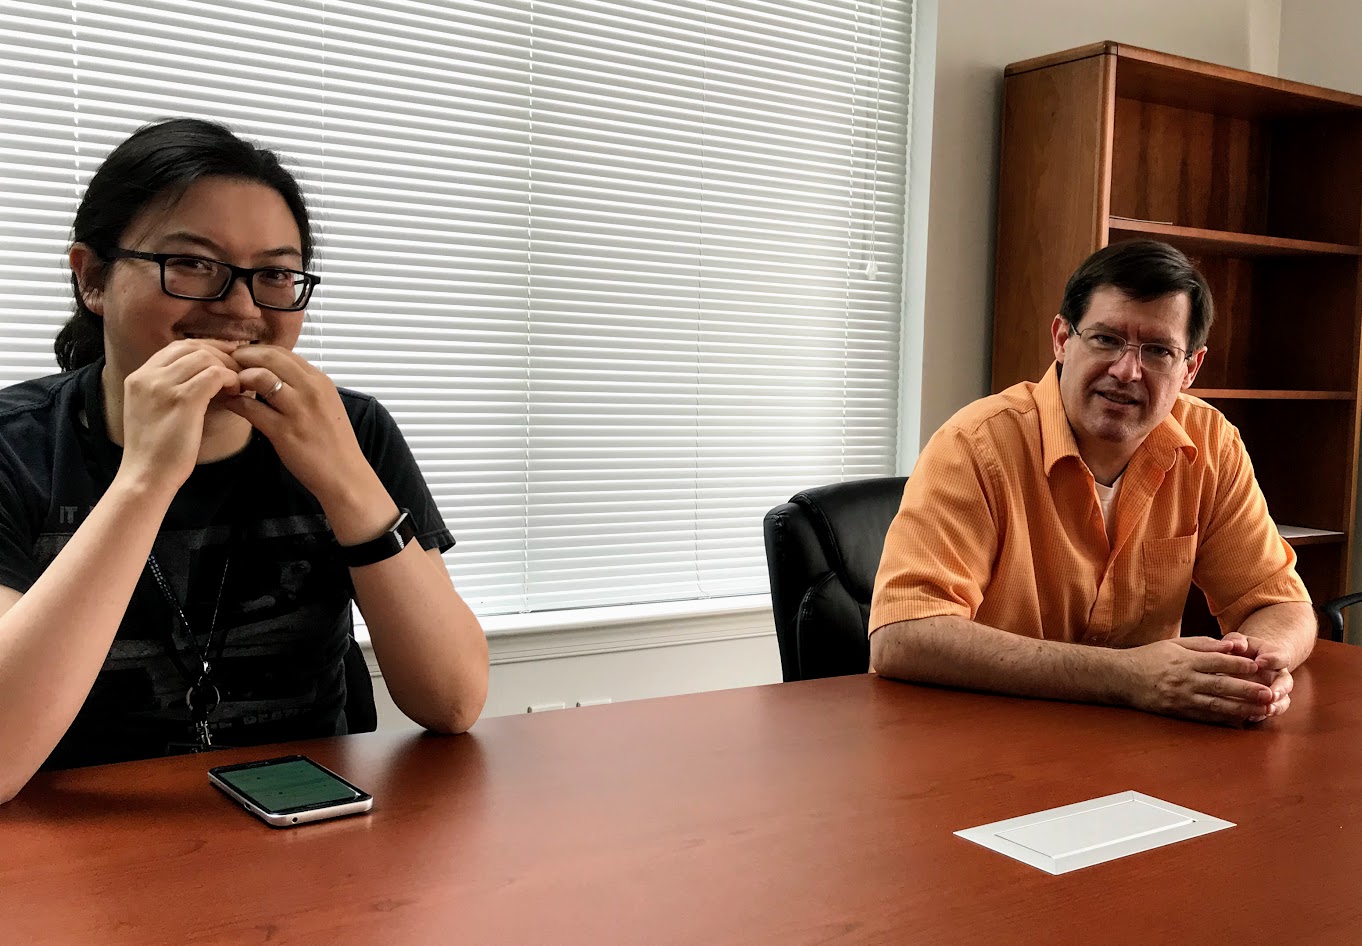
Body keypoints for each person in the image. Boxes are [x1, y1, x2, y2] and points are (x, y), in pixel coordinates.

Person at [0, 118, 489, 801]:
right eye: (192, 264)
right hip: (80, 857)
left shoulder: (353, 429)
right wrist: (144, 480)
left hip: (314, 841)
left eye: (275, 274)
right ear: (92, 278)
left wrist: (344, 480)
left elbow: (453, 702)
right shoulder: (14, 448)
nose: (239, 306)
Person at [869, 240, 1314, 726]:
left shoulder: (1212, 445)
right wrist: (1129, 677)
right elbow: (904, 635)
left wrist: (1260, 664)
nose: (1127, 370)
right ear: (1062, 339)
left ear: (1190, 369)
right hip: (985, 740)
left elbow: (1280, 602)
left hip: (1137, 749)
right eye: (1106, 340)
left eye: (1159, 351)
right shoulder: (975, 446)